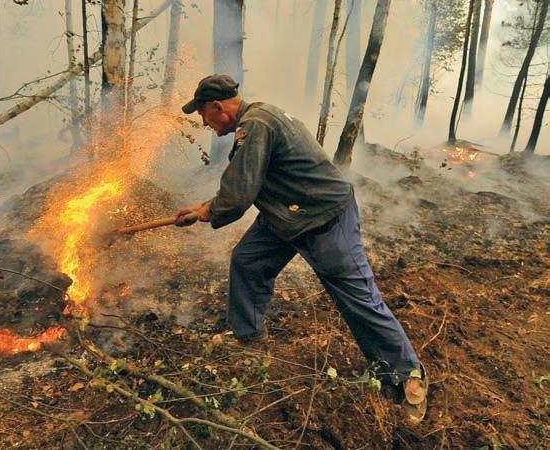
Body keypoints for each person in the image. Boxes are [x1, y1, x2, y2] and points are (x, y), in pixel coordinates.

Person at [175, 74, 428, 421]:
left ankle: (408, 376)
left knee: (359, 298)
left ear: (218, 107)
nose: (204, 123)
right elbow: (246, 180)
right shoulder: (258, 119)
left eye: (203, 114)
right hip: (288, 213)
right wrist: (205, 207)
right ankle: (249, 338)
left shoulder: (257, 125)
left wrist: (210, 212)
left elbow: (240, 192)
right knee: (248, 261)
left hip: (324, 217)